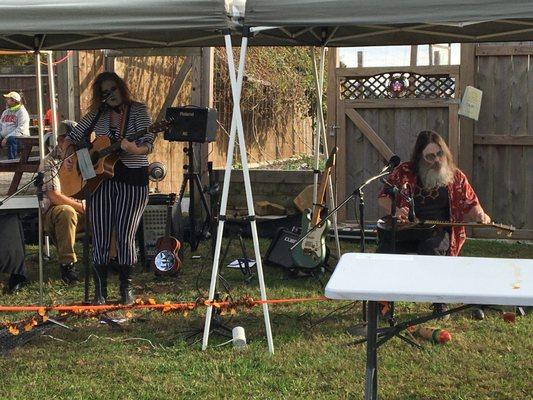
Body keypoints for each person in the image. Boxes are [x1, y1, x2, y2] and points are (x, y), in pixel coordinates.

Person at [377, 130, 491, 318]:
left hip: (439, 231)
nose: (436, 160)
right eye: (430, 156)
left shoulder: (456, 177)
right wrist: (396, 211)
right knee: (385, 249)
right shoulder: (405, 171)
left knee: (431, 249)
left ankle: (440, 301)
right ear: (420, 157)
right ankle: (383, 304)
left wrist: (480, 214)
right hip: (408, 229)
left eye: (440, 154)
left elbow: (471, 203)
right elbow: (383, 197)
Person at [64, 72, 153, 305]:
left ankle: (126, 288)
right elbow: (72, 137)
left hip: (133, 178)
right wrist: (69, 156)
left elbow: (148, 144)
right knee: (100, 235)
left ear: (121, 88)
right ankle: (99, 291)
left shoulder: (138, 110)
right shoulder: (97, 114)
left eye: (113, 89)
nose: (110, 95)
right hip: (99, 181)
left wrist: (133, 149)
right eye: (105, 92)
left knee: (125, 235)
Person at [41, 120, 84, 284]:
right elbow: (54, 196)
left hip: (81, 208)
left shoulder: (82, 157)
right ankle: (67, 265)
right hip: (55, 213)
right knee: (66, 211)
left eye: (78, 139)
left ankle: (112, 258)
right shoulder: (49, 162)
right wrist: (82, 206)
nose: (75, 143)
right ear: (60, 140)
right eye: (71, 139)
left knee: (108, 205)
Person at [0, 91, 30, 159]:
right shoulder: (5, 112)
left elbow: (20, 129)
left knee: (11, 139)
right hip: (5, 137)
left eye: (8, 99)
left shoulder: (22, 112)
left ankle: (12, 162)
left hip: (21, 138)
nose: (6, 100)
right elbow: (1, 124)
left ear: (14, 100)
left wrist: (6, 137)